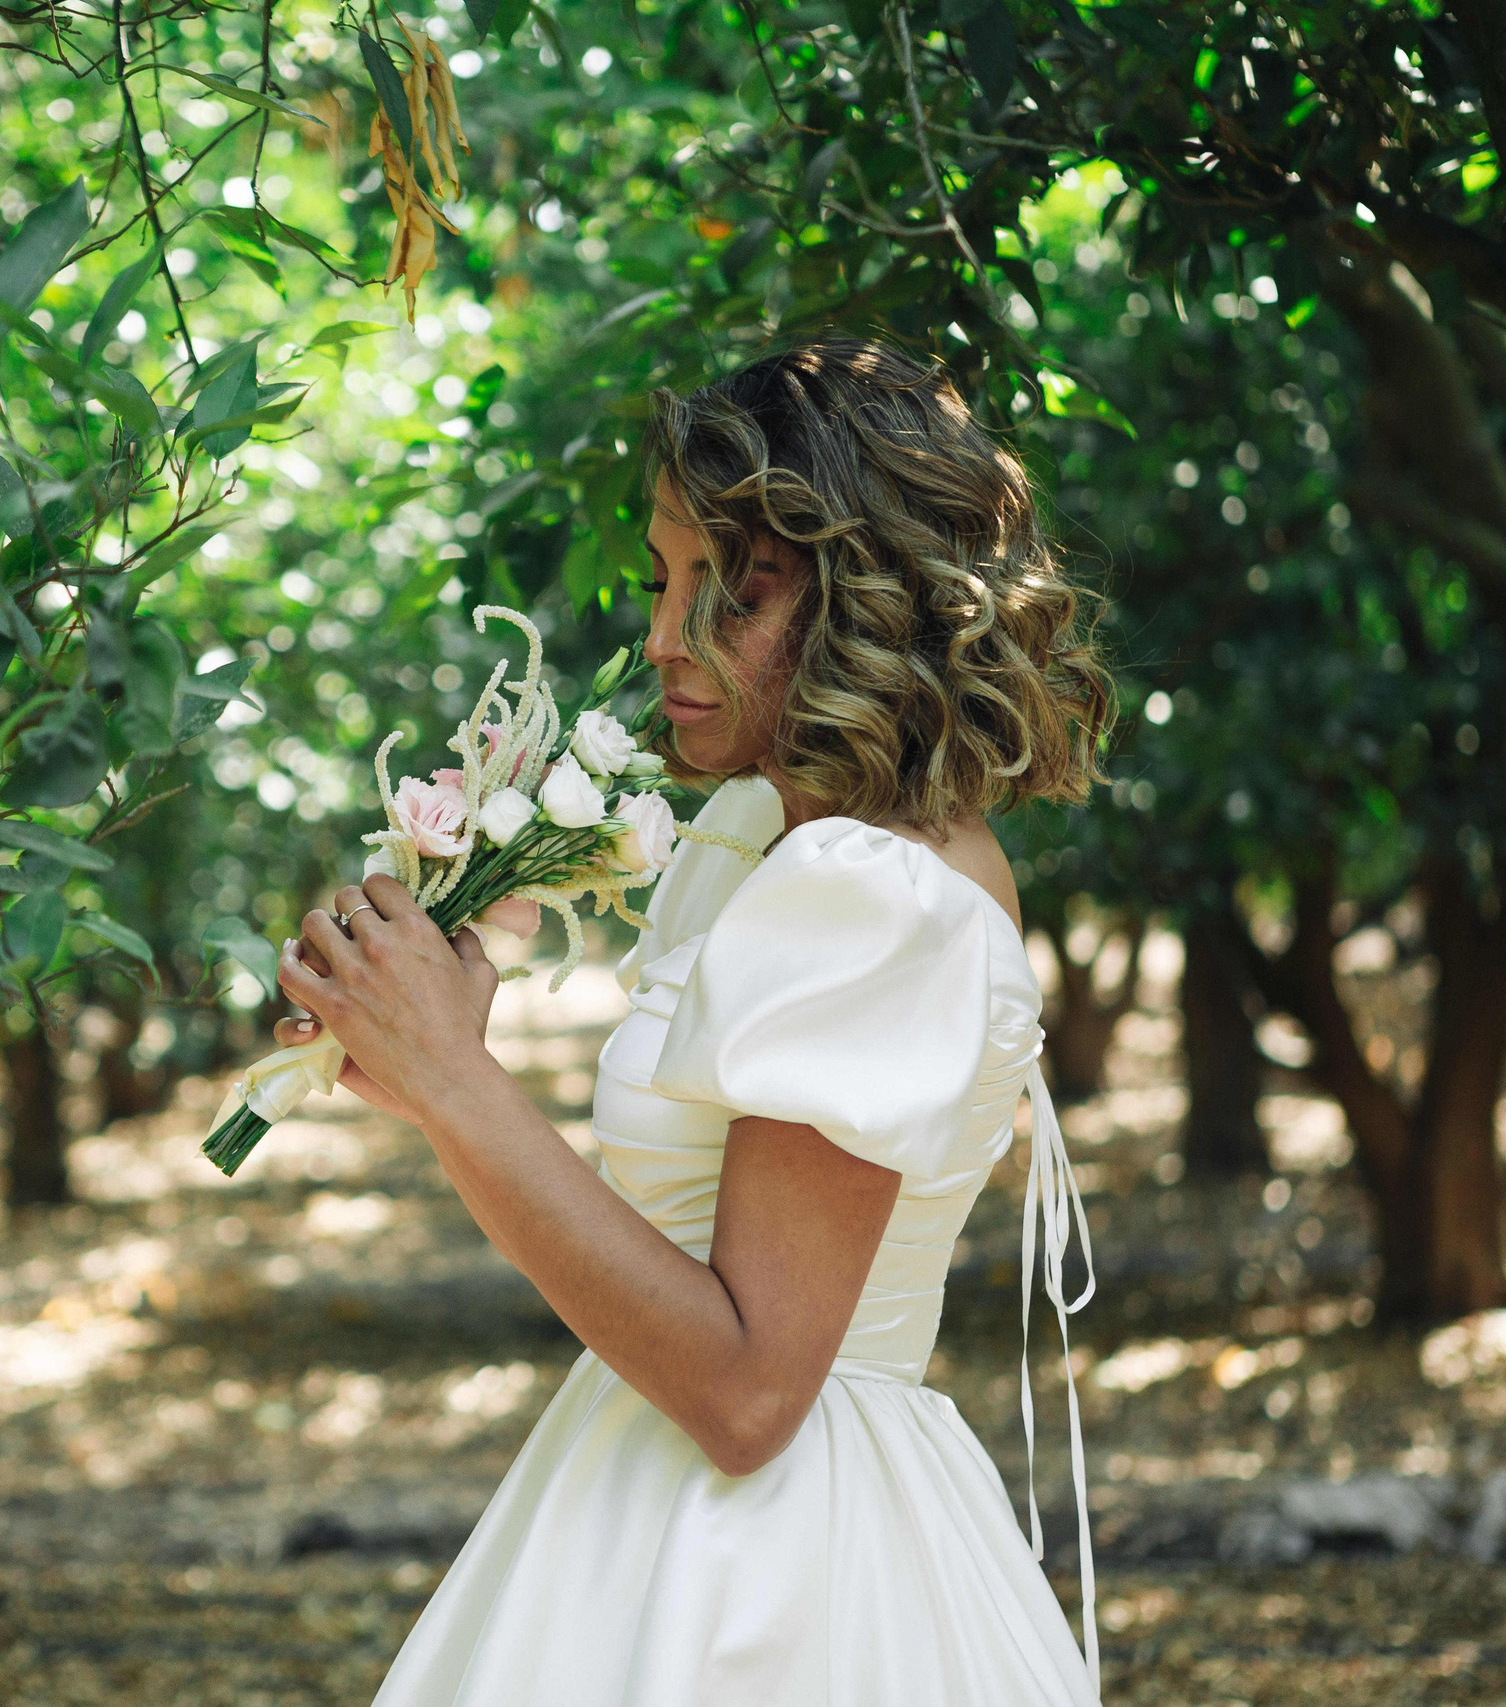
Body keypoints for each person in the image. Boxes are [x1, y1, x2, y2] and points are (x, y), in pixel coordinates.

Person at [274, 339, 1119, 1705]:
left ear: (868, 603)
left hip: (777, 1577)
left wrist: (461, 1090)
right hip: (644, 1492)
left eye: (733, 595)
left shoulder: (876, 895)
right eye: (665, 581)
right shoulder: (764, 838)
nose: (665, 636)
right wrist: (418, 1051)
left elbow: (746, 1392)